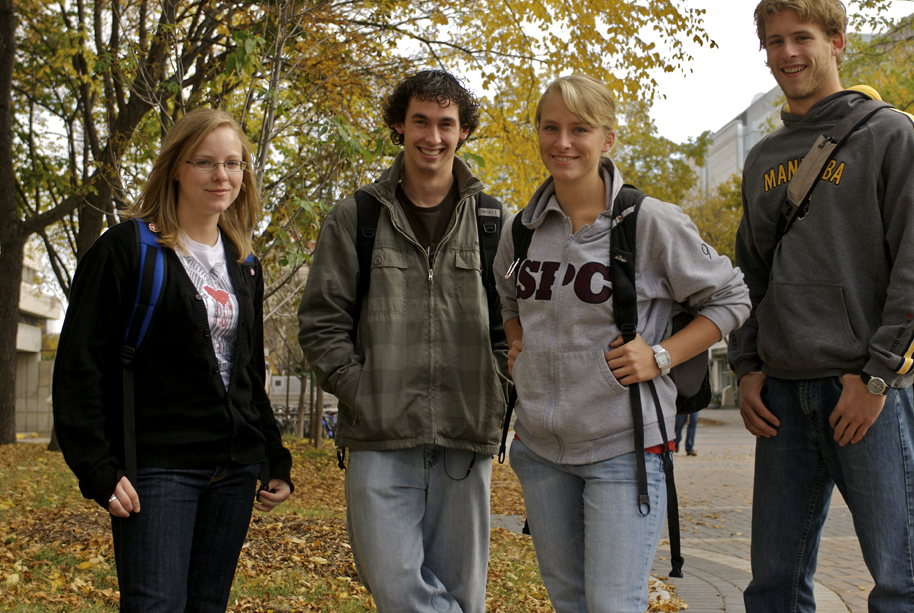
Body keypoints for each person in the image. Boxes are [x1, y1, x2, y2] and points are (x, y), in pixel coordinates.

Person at [729, 0, 914, 613]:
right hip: (780, 397)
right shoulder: (763, 158)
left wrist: (880, 377)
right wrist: (747, 369)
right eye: (775, 41)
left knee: (900, 582)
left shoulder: (892, 134)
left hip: (864, 391)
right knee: (772, 587)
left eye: (803, 38)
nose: (788, 52)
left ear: (836, 43)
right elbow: (749, 275)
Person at [495, 74, 750, 612]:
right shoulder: (520, 230)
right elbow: (507, 301)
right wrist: (516, 342)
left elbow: (732, 298)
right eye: (551, 128)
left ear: (607, 139)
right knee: (570, 601)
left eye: (579, 129)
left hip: (623, 449)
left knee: (613, 604)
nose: (563, 142)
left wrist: (661, 356)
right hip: (540, 452)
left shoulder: (649, 222)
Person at [53, 108, 293, 613]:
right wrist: (96, 466)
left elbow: (246, 369)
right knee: (155, 605)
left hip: (233, 471)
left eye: (233, 163)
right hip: (160, 470)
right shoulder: (127, 250)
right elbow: (80, 367)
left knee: (208, 605)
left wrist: (273, 457)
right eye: (205, 162)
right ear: (176, 167)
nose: (221, 176)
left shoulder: (244, 262)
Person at [297, 70, 510, 613]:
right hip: (379, 434)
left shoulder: (494, 222)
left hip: (465, 433)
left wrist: (501, 388)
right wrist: (361, 389)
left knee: (464, 592)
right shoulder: (357, 216)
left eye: (446, 124)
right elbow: (322, 321)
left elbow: (516, 324)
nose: (432, 137)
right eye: (421, 121)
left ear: (463, 132)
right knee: (393, 584)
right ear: (399, 124)